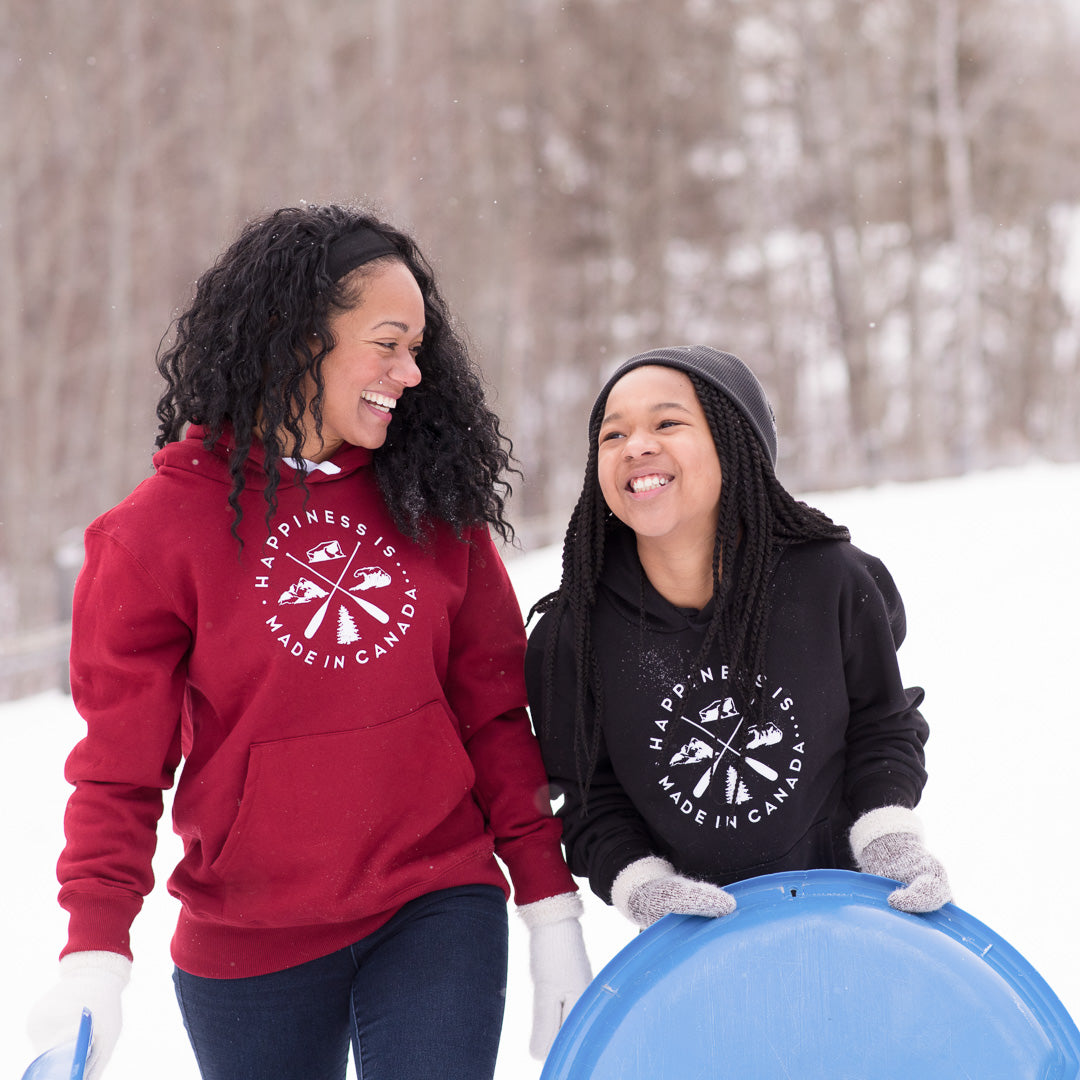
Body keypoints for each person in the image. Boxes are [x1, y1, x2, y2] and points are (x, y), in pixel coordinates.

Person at [27, 204, 591, 1080]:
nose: (411, 373)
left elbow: (495, 715)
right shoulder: (149, 539)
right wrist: (93, 955)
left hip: (434, 901)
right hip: (246, 939)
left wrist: (550, 910)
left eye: (419, 349)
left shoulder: (429, 503)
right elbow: (120, 769)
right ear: (296, 338)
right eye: (389, 343)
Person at [525, 345, 951, 932]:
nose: (636, 445)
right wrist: (645, 886)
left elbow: (882, 723)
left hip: (853, 914)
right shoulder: (571, 639)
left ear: (735, 443)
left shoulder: (831, 580)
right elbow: (588, 799)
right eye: (612, 435)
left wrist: (888, 843)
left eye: (667, 422)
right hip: (701, 947)